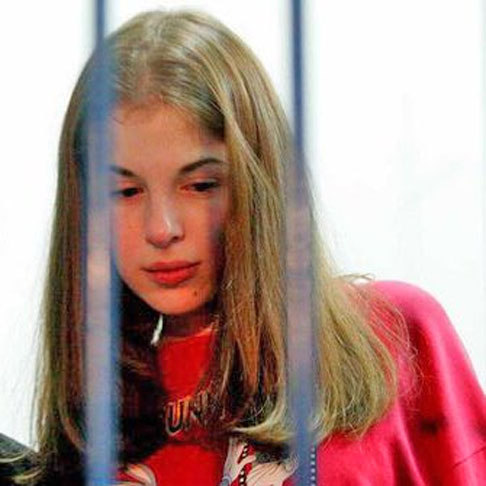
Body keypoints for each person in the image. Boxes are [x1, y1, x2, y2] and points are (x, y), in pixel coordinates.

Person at [2, 8, 486, 486]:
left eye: (201, 185)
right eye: (124, 192)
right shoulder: (92, 441)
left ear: (259, 180)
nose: (162, 229)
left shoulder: (393, 335)